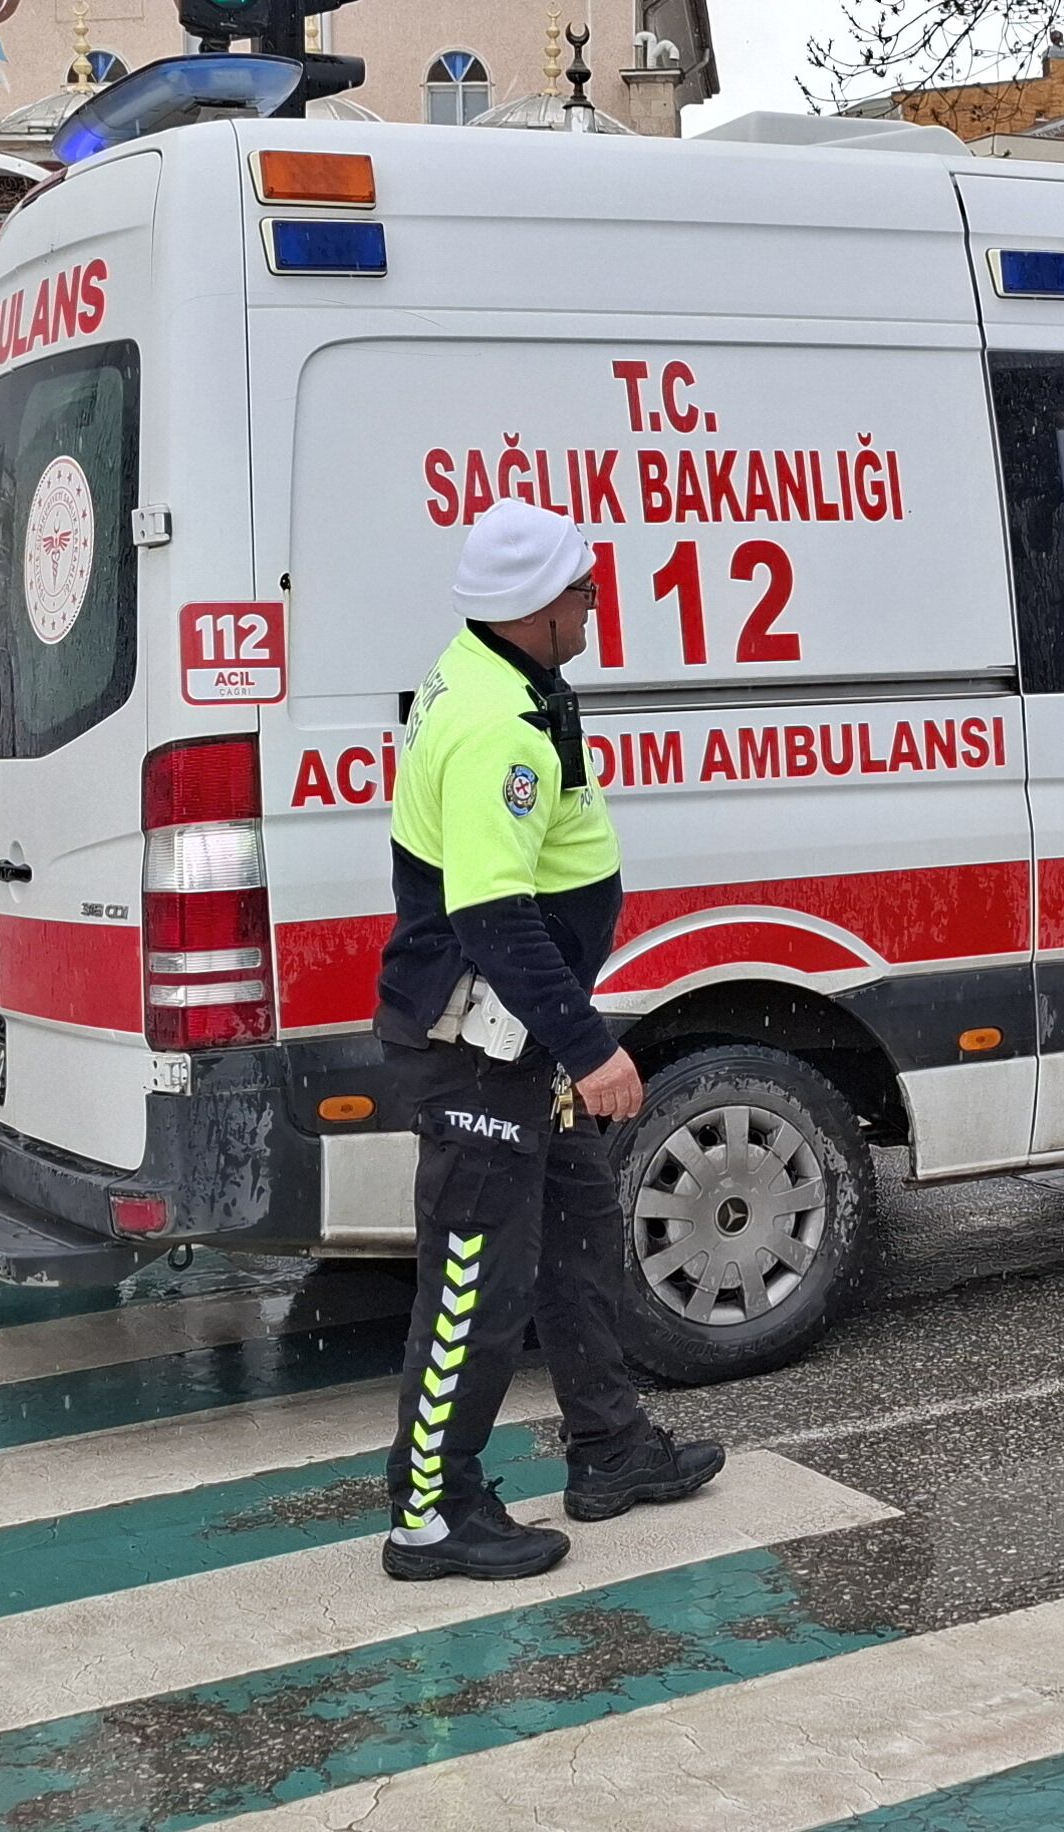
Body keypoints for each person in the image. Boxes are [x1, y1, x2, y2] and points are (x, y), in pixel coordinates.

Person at [370, 500, 718, 1583]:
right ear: (530, 609)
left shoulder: (509, 681)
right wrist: (589, 1045)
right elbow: (492, 912)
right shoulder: (495, 728)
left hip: (521, 1034)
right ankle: (430, 1512)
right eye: (581, 590)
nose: (595, 602)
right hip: (482, 1040)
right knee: (476, 1277)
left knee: (577, 1233)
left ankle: (610, 1447)